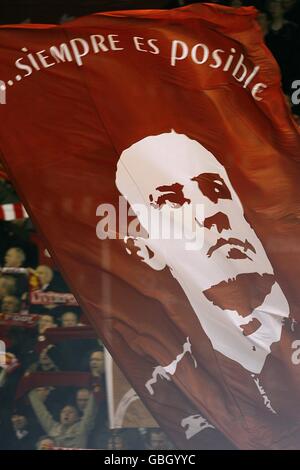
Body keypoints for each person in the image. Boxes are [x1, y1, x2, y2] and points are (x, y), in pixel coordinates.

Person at [116, 131, 289, 374]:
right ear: (144, 249)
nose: (212, 214)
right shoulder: (182, 374)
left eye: (215, 190)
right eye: (172, 202)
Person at [28, 387, 97, 449]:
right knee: (44, 442)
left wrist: (95, 389)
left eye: (70, 412)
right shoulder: (53, 427)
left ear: (77, 418)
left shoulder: (82, 427)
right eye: (63, 412)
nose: (66, 414)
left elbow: (90, 411)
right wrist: (30, 388)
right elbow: (40, 411)